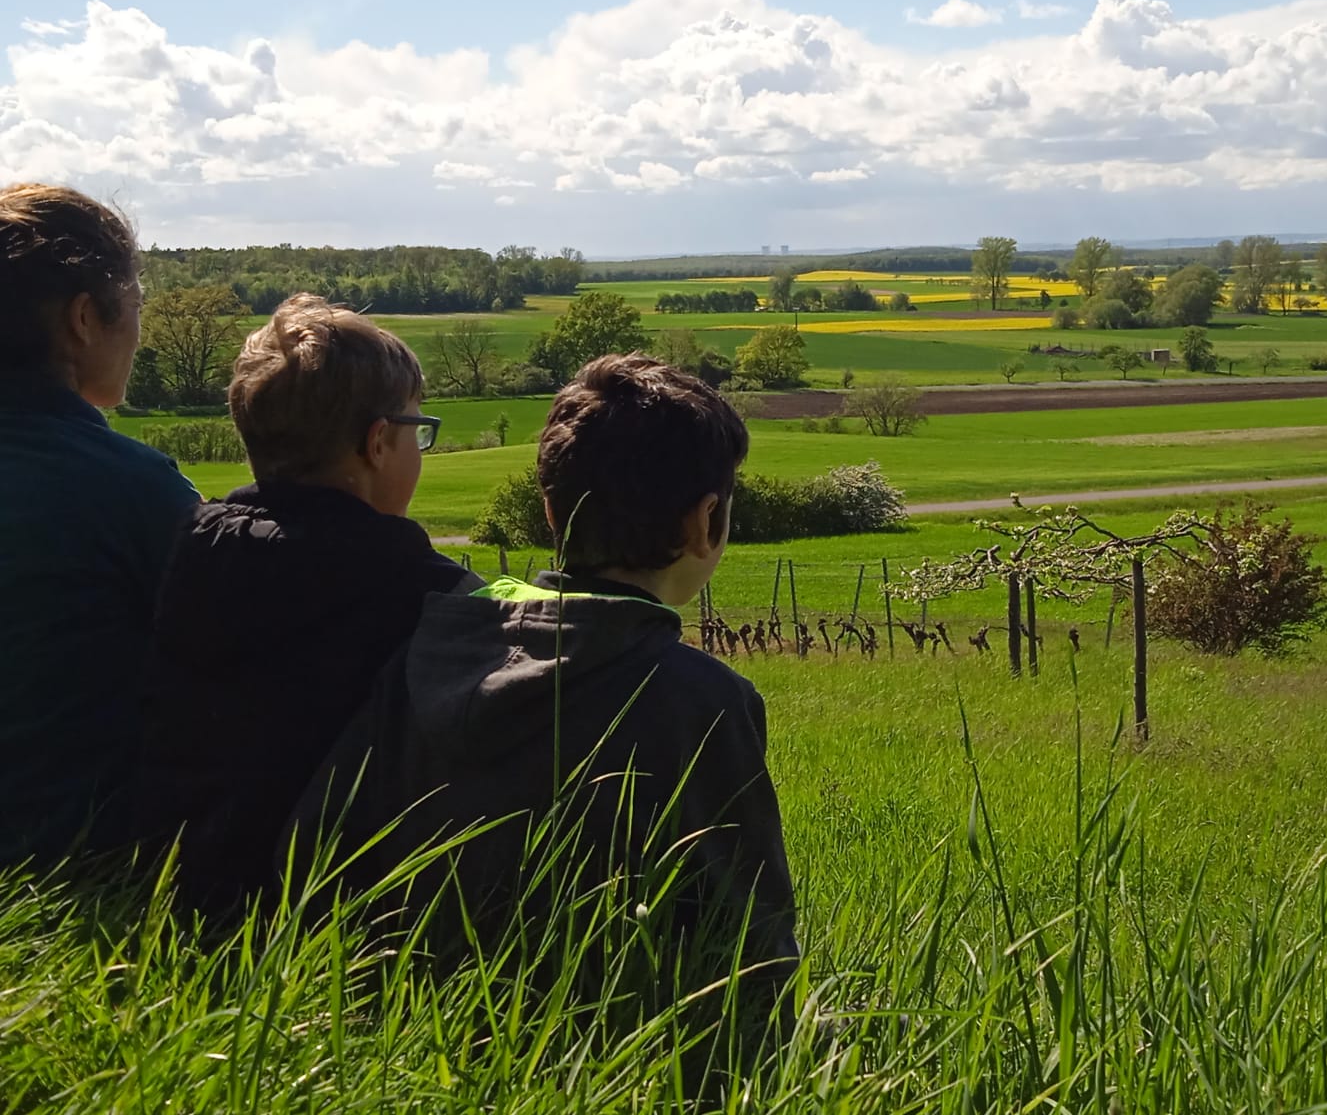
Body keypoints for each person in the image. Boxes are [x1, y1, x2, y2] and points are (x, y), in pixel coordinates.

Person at [291, 354, 797, 1018]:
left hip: (397, 1031)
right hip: (607, 1047)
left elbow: (315, 858)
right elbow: (749, 950)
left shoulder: (429, 654)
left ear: (551, 512)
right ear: (705, 521)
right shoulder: (698, 702)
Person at [135, 294, 476, 913]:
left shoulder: (198, 551)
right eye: (417, 429)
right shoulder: (420, 591)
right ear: (378, 442)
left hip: (183, 885)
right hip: (336, 907)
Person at [0, 184, 200, 866]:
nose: (139, 332)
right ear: (84, 318)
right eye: (136, 307)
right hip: (73, 865)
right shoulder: (135, 489)